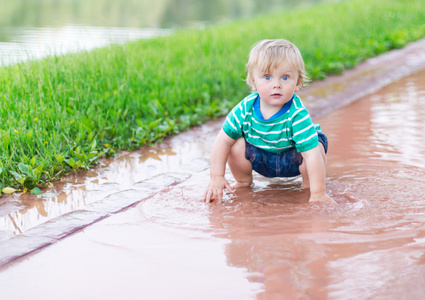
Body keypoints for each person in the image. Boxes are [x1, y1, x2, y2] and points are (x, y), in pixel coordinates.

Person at [203, 39, 334, 204]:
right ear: (253, 82)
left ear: (297, 83)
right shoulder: (245, 109)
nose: (276, 85)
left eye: (285, 77)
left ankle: (310, 188)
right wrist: (217, 176)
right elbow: (222, 141)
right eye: (267, 77)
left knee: (316, 147)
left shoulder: (297, 114)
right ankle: (243, 182)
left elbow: (311, 154)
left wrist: (319, 193)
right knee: (235, 144)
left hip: (292, 158)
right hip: (261, 158)